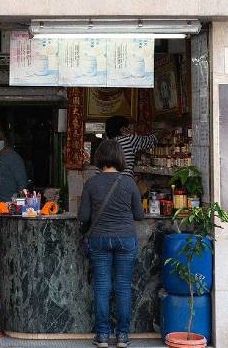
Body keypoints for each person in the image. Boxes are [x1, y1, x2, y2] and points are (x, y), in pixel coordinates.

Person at [79, 140, 144, 348]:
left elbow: (83, 216)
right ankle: (123, 336)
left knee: (102, 286)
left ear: (99, 159)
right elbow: (139, 215)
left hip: (99, 239)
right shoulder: (129, 182)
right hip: (125, 238)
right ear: (120, 158)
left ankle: (103, 336)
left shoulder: (91, 183)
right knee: (123, 287)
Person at [0, 129, 28, 201]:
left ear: (5, 140)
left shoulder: (14, 158)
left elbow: (22, 183)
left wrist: (20, 203)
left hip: (10, 202)